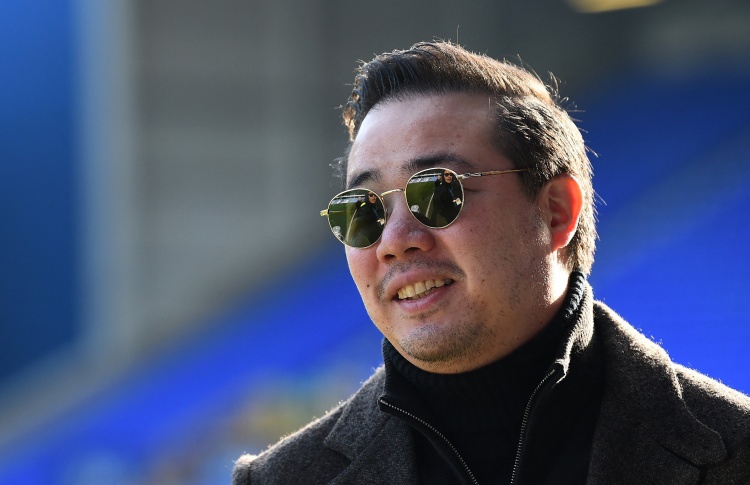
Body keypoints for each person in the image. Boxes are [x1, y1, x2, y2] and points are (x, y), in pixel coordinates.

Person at [233, 42, 750, 484]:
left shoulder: (736, 450)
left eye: (438, 192)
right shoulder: (282, 478)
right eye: (362, 210)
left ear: (555, 211)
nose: (394, 241)